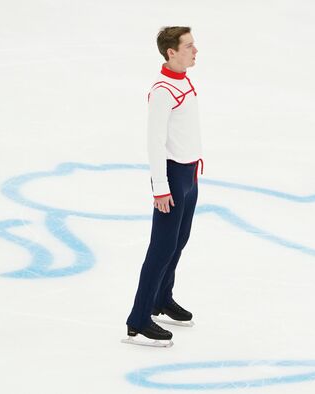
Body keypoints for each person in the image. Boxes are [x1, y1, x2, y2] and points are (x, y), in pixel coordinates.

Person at [124, 26, 203, 347]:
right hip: (171, 177)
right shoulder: (162, 91)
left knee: (178, 242)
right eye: (189, 46)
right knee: (161, 249)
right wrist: (160, 188)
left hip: (189, 176)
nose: (196, 50)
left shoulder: (181, 81)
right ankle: (138, 319)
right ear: (171, 52)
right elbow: (155, 143)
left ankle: (161, 299)